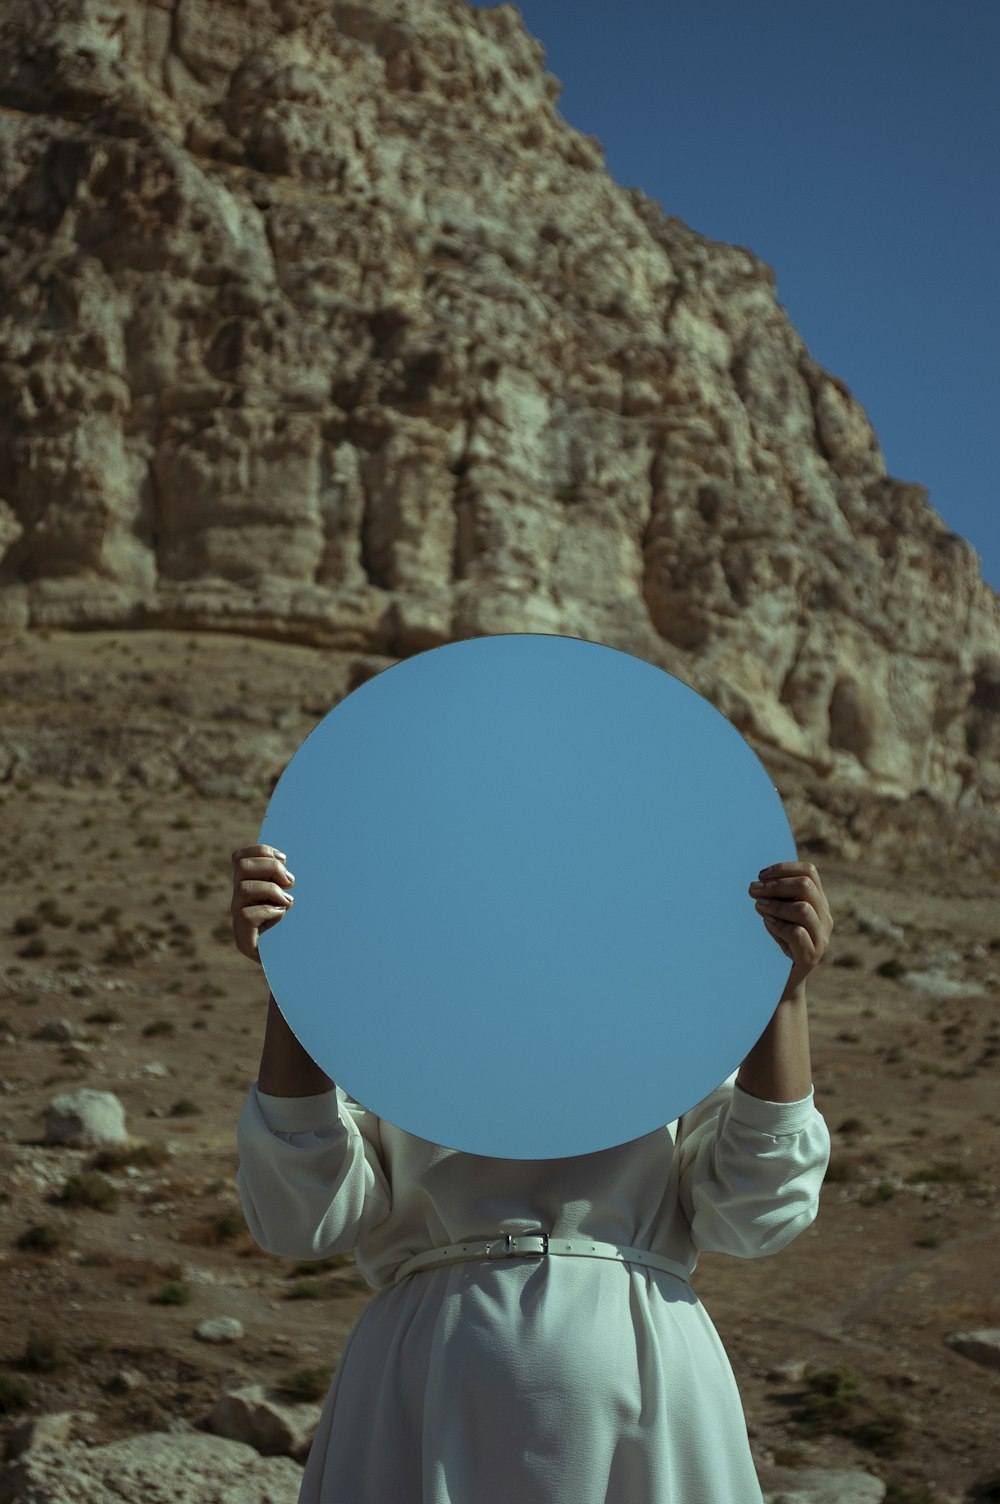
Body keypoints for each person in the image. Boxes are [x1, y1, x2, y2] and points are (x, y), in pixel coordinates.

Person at [232, 843, 833, 1504]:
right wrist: (296, 977)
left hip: (632, 1371)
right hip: (426, 1377)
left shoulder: (673, 1014)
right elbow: (303, 1217)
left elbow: (755, 1212)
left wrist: (782, 996)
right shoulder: (390, 1009)